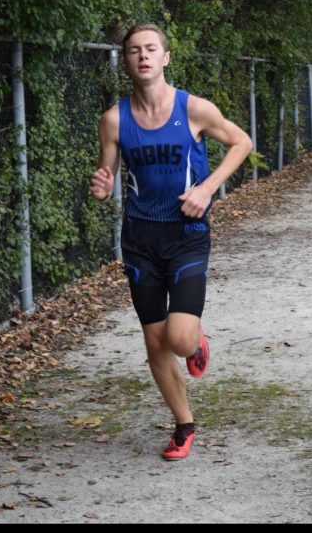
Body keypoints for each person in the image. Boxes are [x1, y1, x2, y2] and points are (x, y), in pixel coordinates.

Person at [90, 24, 252, 461]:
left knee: (179, 339)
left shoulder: (194, 109)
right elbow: (106, 176)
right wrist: (103, 187)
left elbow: (242, 141)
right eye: (134, 51)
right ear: (126, 62)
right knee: (154, 340)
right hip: (140, 237)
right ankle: (184, 425)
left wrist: (208, 189)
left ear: (165, 57)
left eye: (151, 49)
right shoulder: (114, 119)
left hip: (186, 234)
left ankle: (196, 342)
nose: (142, 56)